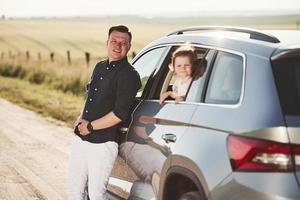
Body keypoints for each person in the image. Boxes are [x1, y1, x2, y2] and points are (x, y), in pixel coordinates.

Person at [68, 25, 141, 200]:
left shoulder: (129, 75)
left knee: (96, 195)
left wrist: (90, 127)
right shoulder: (99, 66)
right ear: (107, 43)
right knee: (74, 191)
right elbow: (90, 98)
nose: (118, 45)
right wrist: (80, 120)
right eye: (114, 41)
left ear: (129, 47)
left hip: (103, 144)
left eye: (123, 43)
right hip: (81, 139)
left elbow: (119, 113)